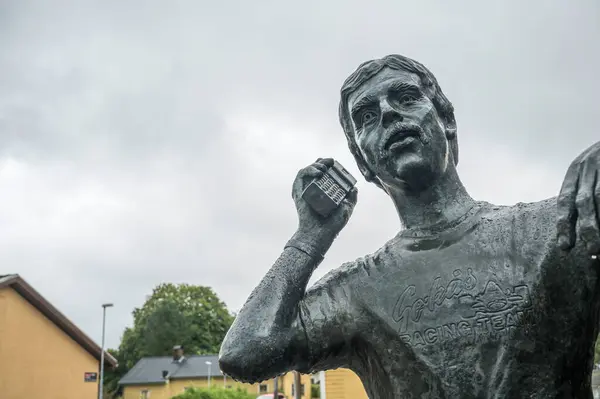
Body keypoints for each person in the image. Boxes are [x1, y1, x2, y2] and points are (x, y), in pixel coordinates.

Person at [219, 54, 600, 398]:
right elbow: (245, 354)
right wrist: (308, 239)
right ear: (363, 162)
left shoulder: (560, 227)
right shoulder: (356, 291)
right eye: (367, 116)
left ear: (446, 121)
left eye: (405, 98)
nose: (387, 114)